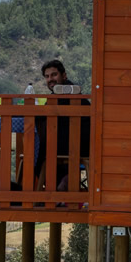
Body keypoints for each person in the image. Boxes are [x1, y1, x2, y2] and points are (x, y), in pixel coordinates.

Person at [36, 59, 90, 191]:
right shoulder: (57, 96)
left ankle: (59, 187)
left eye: (54, 75)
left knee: (39, 148)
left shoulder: (69, 95)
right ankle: (59, 187)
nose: (50, 79)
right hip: (71, 147)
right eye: (47, 76)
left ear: (64, 75)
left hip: (76, 147)